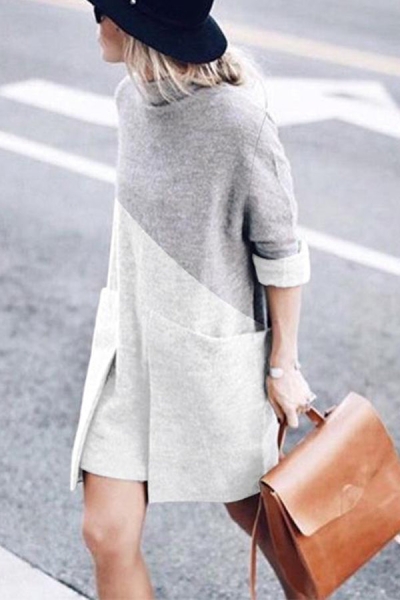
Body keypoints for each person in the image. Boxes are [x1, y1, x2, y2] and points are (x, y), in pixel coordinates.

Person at [70, 1, 316, 598]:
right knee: (106, 534)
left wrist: (283, 366)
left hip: (212, 356)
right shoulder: (131, 100)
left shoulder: (238, 123)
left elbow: (281, 252)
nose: (95, 22)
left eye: (102, 11)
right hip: (130, 355)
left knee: (264, 522)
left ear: (133, 28)